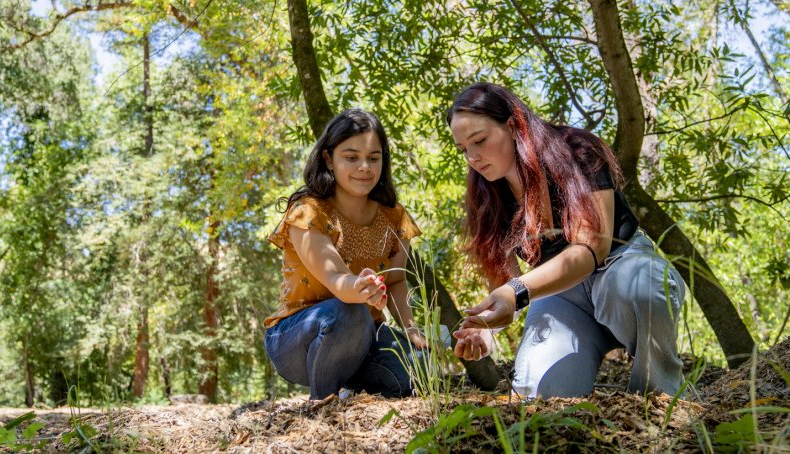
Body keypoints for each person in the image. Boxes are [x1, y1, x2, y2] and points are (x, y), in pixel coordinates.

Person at [446, 82, 685, 398]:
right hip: (560, 297)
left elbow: (590, 250)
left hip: (619, 264)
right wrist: (489, 327)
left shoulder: (577, 149)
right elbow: (508, 284)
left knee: (641, 287)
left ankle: (662, 400)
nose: (473, 157)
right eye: (464, 149)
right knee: (538, 396)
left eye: (480, 140)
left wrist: (516, 292)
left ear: (513, 125)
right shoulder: (486, 196)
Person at [264, 108, 427, 400]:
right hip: (296, 338)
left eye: (373, 158)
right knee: (350, 311)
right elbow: (337, 279)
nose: (364, 167)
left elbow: (396, 281)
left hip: (364, 336)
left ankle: (349, 390)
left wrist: (412, 331)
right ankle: (322, 405)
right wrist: (360, 288)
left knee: (418, 369)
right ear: (329, 158)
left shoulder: (394, 217)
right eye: (351, 157)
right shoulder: (308, 212)